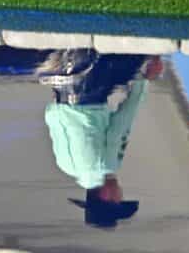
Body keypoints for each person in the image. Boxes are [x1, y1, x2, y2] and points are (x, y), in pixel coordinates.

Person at [40, 50, 163, 230]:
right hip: (58, 85)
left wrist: (144, 79)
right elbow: (52, 117)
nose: (121, 194)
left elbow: (124, 119)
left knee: (138, 54)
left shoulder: (107, 165)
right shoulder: (65, 166)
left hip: (89, 86)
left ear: (107, 196)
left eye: (119, 199)